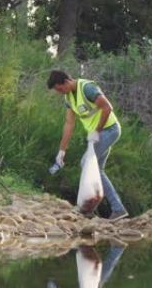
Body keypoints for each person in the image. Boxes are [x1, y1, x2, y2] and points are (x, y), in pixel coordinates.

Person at [47, 70, 128, 221]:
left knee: (85, 163)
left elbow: (107, 107)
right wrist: (61, 151)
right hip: (96, 136)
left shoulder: (87, 88)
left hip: (109, 130)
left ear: (66, 81)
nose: (59, 92)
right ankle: (116, 209)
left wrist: (97, 131)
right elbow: (69, 124)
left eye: (60, 89)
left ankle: (90, 209)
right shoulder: (69, 98)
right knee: (98, 170)